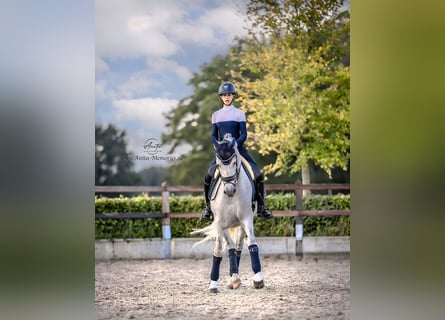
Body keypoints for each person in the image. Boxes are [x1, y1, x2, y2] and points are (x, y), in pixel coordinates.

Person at [201, 81, 273, 221]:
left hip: (239, 151)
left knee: (258, 174)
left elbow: (244, 134)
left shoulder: (239, 114)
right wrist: (218, 146)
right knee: (208, 176)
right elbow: (213, 135)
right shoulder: (216, 115)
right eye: (224, 95)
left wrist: (235, 144)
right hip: (223, 153)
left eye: (229, 95)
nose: (227, 97)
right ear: (220, 97)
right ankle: (208, 208)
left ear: (233, 96)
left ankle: (262, 207)